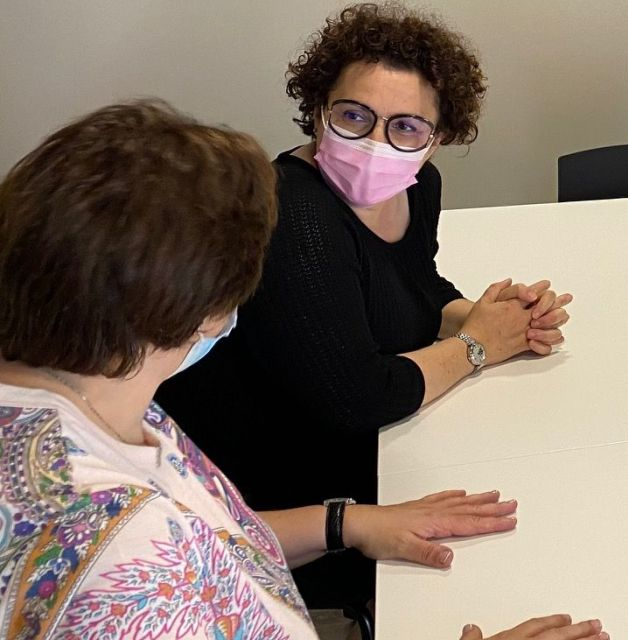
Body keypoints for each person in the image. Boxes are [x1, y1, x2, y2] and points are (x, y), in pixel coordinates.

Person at [0, 101, 608, 640]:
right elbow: (173, 563)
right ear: (204, 313)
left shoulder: (96, 401)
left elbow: (217, 540)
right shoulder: (129, 565)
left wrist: (345, 522)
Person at [154, 1, 572, 607]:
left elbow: (416, 284)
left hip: (371, 439)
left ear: (437, 139)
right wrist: (477, 347)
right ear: (318, 110)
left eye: (406, 127)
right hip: (288, 487)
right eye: (354, 116)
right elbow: (359, 397)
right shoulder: (297, 217)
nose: (377, 142)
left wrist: (497, 319)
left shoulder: (417, 186)